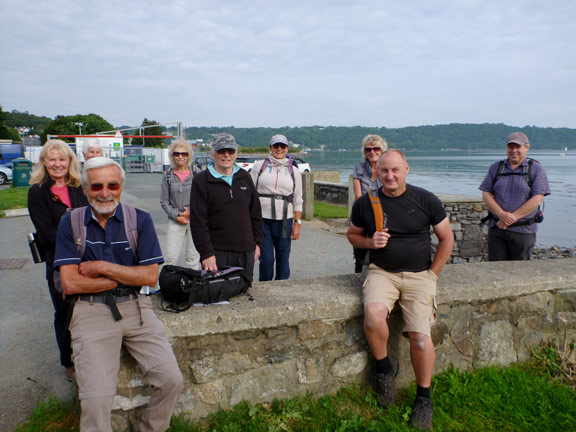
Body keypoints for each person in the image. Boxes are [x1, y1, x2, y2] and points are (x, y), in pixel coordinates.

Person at [53, 157, 183, 431]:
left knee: (172, 380)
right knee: (96, 401)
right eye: (97, 186)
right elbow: (70, 284)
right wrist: (125, 277)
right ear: (86, 188)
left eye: (112, 185)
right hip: (91, 310)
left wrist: (100, 268)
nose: (105, 192)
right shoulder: (71, 223)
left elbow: (149, 276)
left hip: (136, 307)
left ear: (121, 186)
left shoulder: (140, 220)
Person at [347, 150, 454, 431]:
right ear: (377, 173)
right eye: (384, 171)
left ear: (406, 169)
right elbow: (352, 235)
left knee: (420, 337)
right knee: (372, 314)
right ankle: (384, 369)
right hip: (383, 273)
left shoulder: (425, 199)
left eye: (395, 170)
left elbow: (446, 239)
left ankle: (423, 398)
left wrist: (433, 274)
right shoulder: (366, 203)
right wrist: (370, 243)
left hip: (421, 275)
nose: (390, 176)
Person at [27, 139, 89, 381]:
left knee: (87, 310)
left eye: (62, 159)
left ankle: (87, 355)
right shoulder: (37, 192)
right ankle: (68, 361)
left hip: (85, 258)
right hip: (59, 261)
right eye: (52, 159)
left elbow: (89, 219)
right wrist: (79, 243)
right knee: (64, 311)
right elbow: (46, 232)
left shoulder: (78, 187)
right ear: (44, 161)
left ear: (70, 162)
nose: (57, 164)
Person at [190, 133, 262, 286]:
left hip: (246, 252)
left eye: (231, 151)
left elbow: (255, 214)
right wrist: (206, 254)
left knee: (244, 295)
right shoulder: (201, 181)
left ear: (236, 152)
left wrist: (257, 244)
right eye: (221, 151)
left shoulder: (245, 177)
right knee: (217, 297)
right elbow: (198, 222)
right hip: (217, 254)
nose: (226, 155)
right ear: (213, 153)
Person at [479, 132, 550, 261]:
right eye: (510, 147)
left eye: (518, 147)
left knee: (520, 272)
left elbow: (537, 199)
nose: (514, 151)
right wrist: (501, 214)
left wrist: (511, 218)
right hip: (497, 228)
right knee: (495, 269)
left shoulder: (536, 170)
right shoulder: (496, 167)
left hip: (523, 231)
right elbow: (486, 193)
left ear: (527, 148)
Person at [250, 134, 303, 281]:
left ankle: (282, 289)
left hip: (285, 220)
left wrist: (297, 224)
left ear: (287, 148)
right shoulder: (259, 166)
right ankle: (265, 288)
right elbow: (249, 193)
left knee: (283, 258)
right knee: (266, 259)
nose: (279, 149)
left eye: (282, 146)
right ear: (270, 148)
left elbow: (298, 199)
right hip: (262, 220)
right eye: (276, 146)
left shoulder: (294, 170)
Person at [160, 139, 201, 269]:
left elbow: (203, 199)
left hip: (194, 221)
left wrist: (192, 214)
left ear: (189, 155)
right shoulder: (168, 175)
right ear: (172, 155)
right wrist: (177, 215)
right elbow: (164, 201)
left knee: (193, 258)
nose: (180, 156)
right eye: (176, 153)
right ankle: (166, 285)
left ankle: (192, 286)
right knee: (171, 257)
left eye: (184, 154)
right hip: (176, 220)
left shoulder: (197, 173)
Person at [351, 134, 388, 273]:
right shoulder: (359, 168)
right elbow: (358, 196)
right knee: (360, 252)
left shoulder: (385, 169)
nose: (372, 152)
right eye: (368, 149)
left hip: (383, 216)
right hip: (363, 213)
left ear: (381, 150)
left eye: (376, 148)